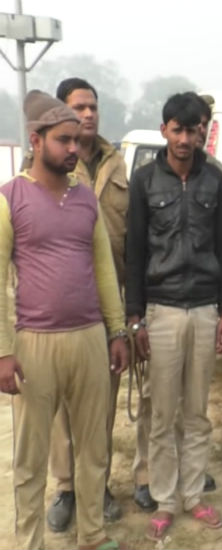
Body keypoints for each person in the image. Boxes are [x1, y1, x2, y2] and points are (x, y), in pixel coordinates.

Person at [0, 90, 128, 550]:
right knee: (31, 458)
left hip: (89, 338)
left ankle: (91, 535)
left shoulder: (85, 200)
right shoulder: (9, 199)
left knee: (94, 449)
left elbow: (104, 271)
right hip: (35, 342)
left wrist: (117, 331)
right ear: (36, 140)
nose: (74, 148)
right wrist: (4, 352)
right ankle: (29, 542)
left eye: (76, 140)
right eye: (63, 140)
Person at [126, 92, 222, 541]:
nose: (185, 139)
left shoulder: (214, 180)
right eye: (177, 130)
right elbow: (134, 252)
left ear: (200, 133)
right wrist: (135, 317)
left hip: (206, 309)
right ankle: (165, 500)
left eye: (192, 131)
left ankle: (193, 496)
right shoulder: (145, 181)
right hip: (163, 310)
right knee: (162, 414)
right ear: (164, 130)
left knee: (197, 413)